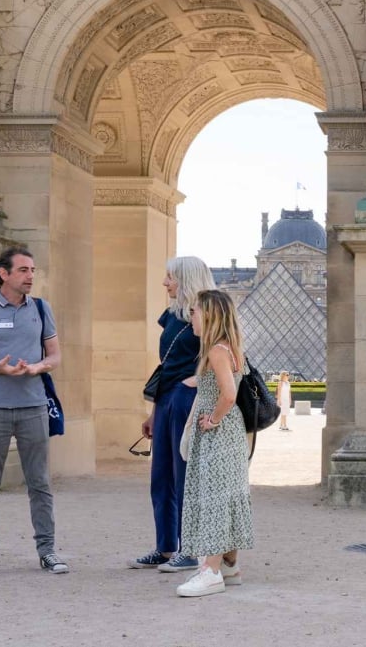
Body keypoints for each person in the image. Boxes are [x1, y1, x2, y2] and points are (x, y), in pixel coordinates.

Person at [0, 246, 68, 576]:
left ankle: (47, 551)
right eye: (23, 270)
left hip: (34, 406)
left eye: (32, 270)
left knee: (40, 483)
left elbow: (56, 356)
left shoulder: (42, 309)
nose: (30, 276)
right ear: (3, 273)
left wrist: (39, 368)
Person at [131, 256, 214, 573]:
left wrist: (194, 384)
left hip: (188, 400)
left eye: (170, 277)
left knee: (184, 476)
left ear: (187, 279)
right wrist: (154, 412)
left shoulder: (207, 313)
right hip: (167, 398)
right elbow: (164, 367)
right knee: (161, 475)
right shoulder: (171, 315)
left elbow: (224, 355)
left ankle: (190, 549)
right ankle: (166, 547)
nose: (165, 282)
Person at [175, 289, 254, 598]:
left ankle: (211, 571)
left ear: (208, 315)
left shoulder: (216, 351)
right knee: (227, 495)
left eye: (194, 311)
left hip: (218, 433)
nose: (190, 316)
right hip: (229, 433)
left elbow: (228, 394)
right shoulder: (231, 348)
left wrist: (213, 419)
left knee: (213, 499)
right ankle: (229, 565)